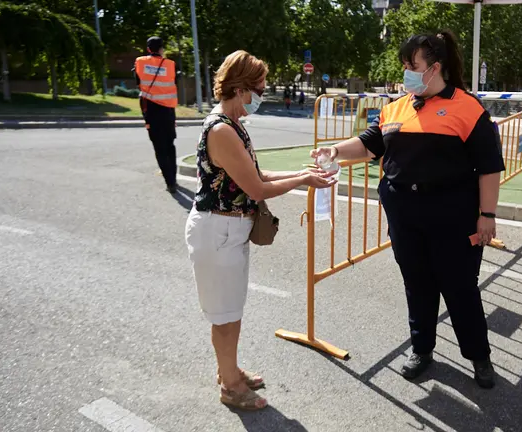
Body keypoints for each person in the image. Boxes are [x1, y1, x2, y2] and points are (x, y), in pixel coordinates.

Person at [311, 31, 505, 388]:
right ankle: (422, 349)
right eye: (404, 66)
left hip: (453, 215)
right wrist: (335, 151)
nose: (406, 73)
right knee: (417, 285)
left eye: (411, 66)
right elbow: (370, 145)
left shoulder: (468, 108)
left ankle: (479, 357)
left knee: (460, 288)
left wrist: (487, 216)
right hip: (405, 213)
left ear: (434, 68)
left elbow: (489, 166)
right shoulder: (397, 107)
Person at [185, 50, 336, 410]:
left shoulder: (234, 125)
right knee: (224, 316)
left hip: (228, 232)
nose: (261, 96)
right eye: (259, 89)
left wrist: (303, 174)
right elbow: (256, 189)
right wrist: (303, 178)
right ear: (240, 89)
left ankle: (230, 371)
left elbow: (259, 175)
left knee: (231, 310)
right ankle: (231, 387)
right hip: (217, 232)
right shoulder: (222, 130)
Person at [134, 36, 179, 194]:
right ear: (162, 49)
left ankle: (170, 182)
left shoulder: (140, 62)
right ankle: (174, 177)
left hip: (151, 112)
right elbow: (174, 82)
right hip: (168, 111)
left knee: (159, 148)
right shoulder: (171, 65)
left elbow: (138, 82)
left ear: (148, 49)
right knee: (170, 146)